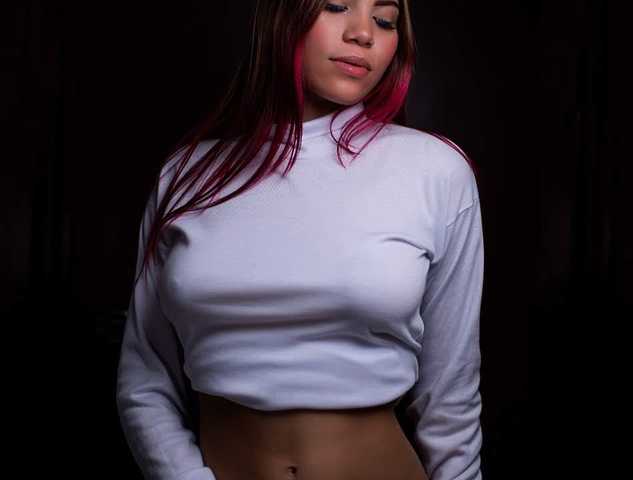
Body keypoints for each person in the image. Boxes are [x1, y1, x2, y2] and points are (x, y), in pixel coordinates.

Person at [115, 0, 485, 479]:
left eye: (384, 20)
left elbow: (451, 397)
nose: (363, 33)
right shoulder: (187, 175)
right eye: (336, 5)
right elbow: (145, 379)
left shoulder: (435, 171)